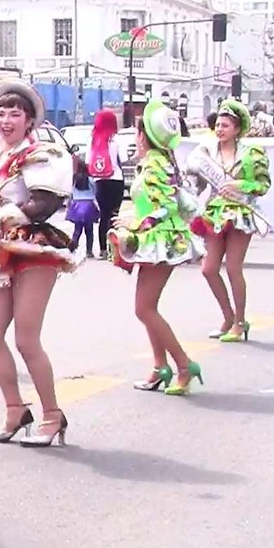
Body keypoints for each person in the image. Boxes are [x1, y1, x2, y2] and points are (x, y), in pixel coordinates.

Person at [0, 80, 78, 447]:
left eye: (15, 114)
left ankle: (53, 415)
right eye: (2, 113)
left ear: (28, 121)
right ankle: (14, 409)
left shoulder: (42, 154)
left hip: (33, 249)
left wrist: (9, 217)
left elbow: (44, 202)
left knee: (26, 338)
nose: (6, 120)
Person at [109, 99, 206, 395]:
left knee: (144, 309)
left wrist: (136, 226)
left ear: (144, 136)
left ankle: (183, 364)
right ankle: (159, 367)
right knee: (147, 307)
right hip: (162, 240)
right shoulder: (162, 161)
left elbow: (163, 207)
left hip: (160, 241)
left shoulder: (154, 164)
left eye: (137, 132)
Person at [187, 98, 271, 343]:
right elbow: (198, 183)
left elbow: (263, 185)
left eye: (225, 125)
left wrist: (239, 185)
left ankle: (240, 321)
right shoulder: (206, 153)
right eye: (218, 125)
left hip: (240, 215)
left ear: (237, 129)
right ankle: (227, 316)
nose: (220, 129)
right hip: (214, 214)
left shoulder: (251, 154)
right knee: (209, 269)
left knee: (234, 268)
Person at [85, 109, 124, 260]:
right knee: (114, 215)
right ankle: (114, 249)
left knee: (104, 215)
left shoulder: (92, 140)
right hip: (116, 179)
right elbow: (124, 159)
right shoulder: (116, 139)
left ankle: (102, 250)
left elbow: (88, 161)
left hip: (99, 180)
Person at [66, 155, 100, 257]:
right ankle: (89, 251)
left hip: (76, 205)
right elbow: (95, 190)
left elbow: (70, 192)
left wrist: (69, 203)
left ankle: (71, 248)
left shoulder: (74, 179)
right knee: (89, 231)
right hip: (88, 205)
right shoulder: (90, 179)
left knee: (77, 230)